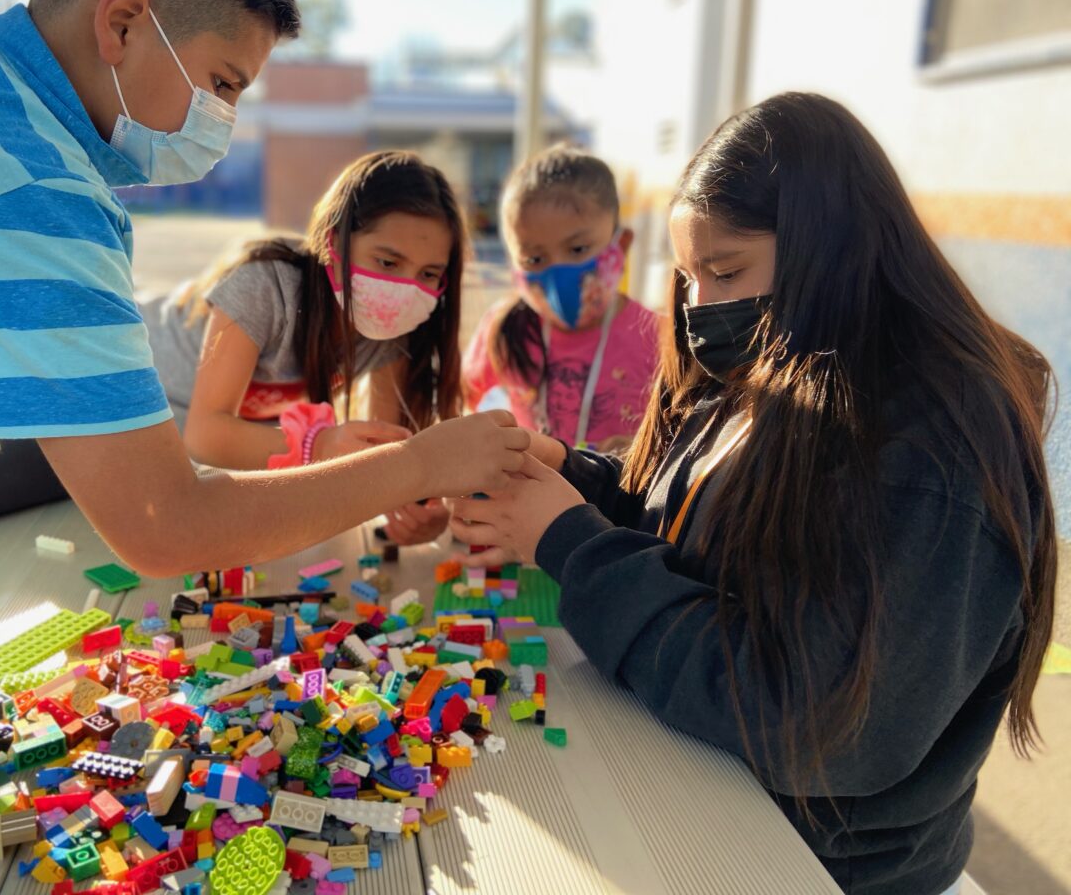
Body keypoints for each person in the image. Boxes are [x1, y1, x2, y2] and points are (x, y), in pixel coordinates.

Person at [0, 0, 529, 667]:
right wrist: (420, 466)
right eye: (223, 84)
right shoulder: (33, 199)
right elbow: (164, 525)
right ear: (122, 23)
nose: (223, 124)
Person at [448, 93, 1056, 895]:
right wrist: (573, 474)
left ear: (831, 249)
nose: (700, 307)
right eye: (688, 277)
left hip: (819, 866)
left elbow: (823, 726)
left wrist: (570, 541)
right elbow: (686, 527)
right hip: (703, 791)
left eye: (726, 270)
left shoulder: (935, 449)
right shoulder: (770, 361)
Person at [140, 150, 468, 544]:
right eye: (387, 262)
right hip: (117, 370)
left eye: (428, 273)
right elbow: (205, 436)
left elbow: (377, 454)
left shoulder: (393, 333)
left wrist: (416, 513)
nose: (404, 288)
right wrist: (319, 445)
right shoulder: (266, 286)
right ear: (334, 243)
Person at [463, 145, 661, 453]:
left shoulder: (659, 339)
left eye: (578, 249)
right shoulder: (502, 330)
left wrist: (642, 451)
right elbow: (464, 411)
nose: (557, 270)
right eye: (534, 258)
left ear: (621, 244)